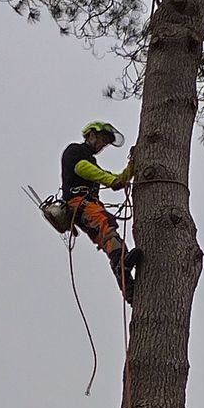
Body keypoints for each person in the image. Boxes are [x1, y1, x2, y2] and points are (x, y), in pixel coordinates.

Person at [60, 120, 141, 298]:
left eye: (106, 142)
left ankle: (129, 289)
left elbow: (117, 177)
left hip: (89, 206)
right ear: (91, 134)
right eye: (102, 139)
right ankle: (122, 265)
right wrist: (111, 181)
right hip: (78, 203)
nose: (103, 145)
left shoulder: (93, 163)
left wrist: (133, 166)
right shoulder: (75, 151)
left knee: (110, 235)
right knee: (105, 224)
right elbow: (83, 169)